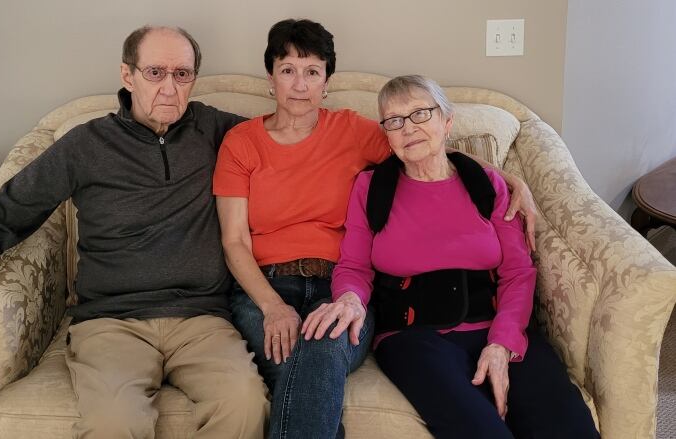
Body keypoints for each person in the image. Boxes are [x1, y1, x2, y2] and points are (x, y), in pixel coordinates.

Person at [0, 26, 269, 439]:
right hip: (112, 322)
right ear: (128, 75)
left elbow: (295, 147)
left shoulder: (219, 132)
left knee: (245, 405)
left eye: (182, 74)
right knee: (114, 423)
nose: (169, 87)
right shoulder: (86, 145)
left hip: (201, 318)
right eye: (155, 72)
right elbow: (2, 214)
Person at [213, 19, 538, 439]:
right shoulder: (241, 142)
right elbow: (234, 240)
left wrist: (508, 178)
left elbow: (421, 145)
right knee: (303, 359)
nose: (299, 84)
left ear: (326, 81)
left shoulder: (350, 130)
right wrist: (274, 307)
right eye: (287, 69)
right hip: (265, 287)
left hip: (342, 285)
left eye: (312, 71)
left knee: (322, 346)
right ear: (270, 78)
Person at [302, 74, 599, 438]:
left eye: (420, 114)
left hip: (495, 327)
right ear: (387, 134)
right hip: (413, 339)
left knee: (569, 429)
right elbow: (354, 266)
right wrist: (349, 297)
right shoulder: (372, 187)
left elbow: (518, 272)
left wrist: (502, 343)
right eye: (394, 121)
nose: (408, 128)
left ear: (447, 121)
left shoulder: (485, 185)